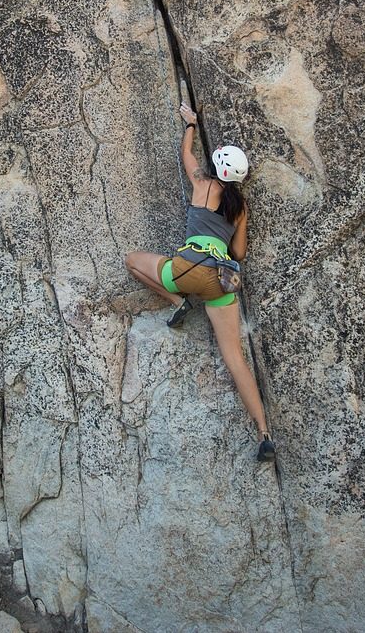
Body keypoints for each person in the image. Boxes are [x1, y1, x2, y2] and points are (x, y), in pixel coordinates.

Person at [125, 103, 275, 462]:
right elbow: (239, 251)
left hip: (187, 269)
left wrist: (190, 124)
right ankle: (264, 432)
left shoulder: (202, 185)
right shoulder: (240, 207)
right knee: (235, 357)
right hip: (222, 282)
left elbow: (185, 154)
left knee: (133, 261)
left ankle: (178, 303)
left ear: (218, 167)